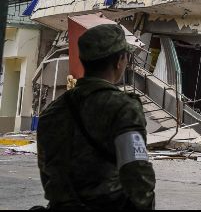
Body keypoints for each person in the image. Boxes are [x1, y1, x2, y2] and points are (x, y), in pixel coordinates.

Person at [37, 24, 156, 209]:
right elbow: (137, 175)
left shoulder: (52, 112)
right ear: (119, 61)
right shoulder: (123, 109)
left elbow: (48, 174)